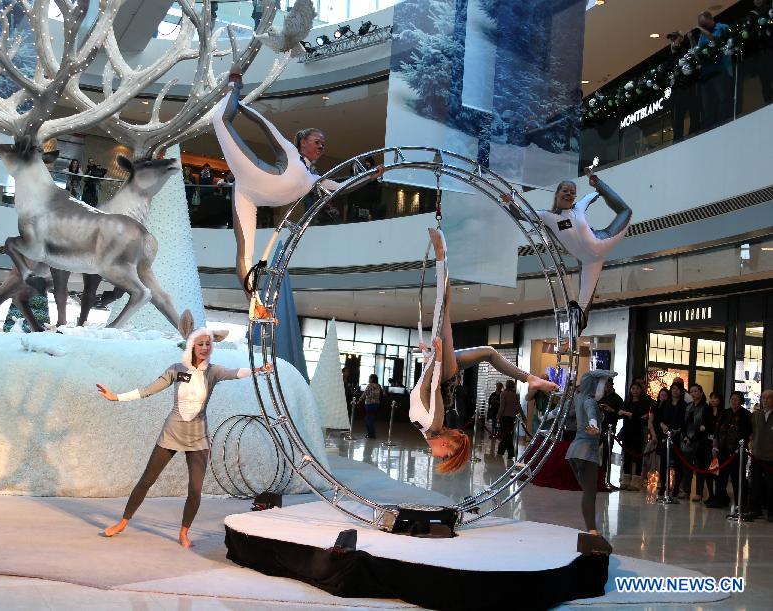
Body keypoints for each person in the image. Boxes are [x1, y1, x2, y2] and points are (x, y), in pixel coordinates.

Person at [96, 312, 272, 548]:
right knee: (146, 481)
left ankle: (183, 532)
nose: (205, 347)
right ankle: (123, 522)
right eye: (200, 344)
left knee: (195, 489)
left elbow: (235, 373)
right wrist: (116, 397)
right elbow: (148, 389)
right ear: (191, 346)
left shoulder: (213, 372)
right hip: (172, 433)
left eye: (208, 344)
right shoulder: (176, 369)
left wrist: (258, 370)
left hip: (198, 438)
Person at [212, 67, 384, 301]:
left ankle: (253, 301)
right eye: (317, 141)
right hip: (254, 174)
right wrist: (241, 105)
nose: (322, 147)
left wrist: (371, 176)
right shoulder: (291, 152)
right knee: (220, 121)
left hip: (250, 196)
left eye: (324, 144)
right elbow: (265, 125)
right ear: (303, 142)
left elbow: (345, 186)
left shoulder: (315, 180)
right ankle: (233, 85)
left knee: (247, 252)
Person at [408, 228, 556, 473]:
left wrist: (429, 356)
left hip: (441, 368)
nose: (439, 456)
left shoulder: (428, 430)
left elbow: (426, 386)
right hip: (442, 370)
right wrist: (437, 356)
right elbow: (432, 386)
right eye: (446, 455)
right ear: (446, 443)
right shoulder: (434, 425)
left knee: (485, 349)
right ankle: (441, 255)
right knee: (442, 310)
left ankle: (531, 379)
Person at [536, 167, 631, 332]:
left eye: (572, 192)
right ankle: (572, 338)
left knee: (626, 211)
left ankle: (573, 334)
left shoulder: (579, 206)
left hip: (604, 239)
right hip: (590, 262)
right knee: (583, 305)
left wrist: (597, 183)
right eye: (565, 190)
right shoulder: (547, 217)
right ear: (557, 193)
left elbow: (594, 195)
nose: (569, 194)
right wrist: (509, 201)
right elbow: (521, 213)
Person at [566, 369, 616, 552]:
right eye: (601, 383)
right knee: (589, 493)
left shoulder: (578, 397)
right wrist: (594, 424)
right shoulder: (589, 401)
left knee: (587, 492)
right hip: (587, 452)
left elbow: (563, 411)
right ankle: (592, 531)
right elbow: (590, 413)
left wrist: (548, 416)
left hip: (574, 451)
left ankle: (591, 529)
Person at [707, 391, 754, 510]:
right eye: (732, 399)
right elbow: (717, 430)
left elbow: (750, 434)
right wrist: (715, 446)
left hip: (738, 452)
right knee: (720, 476)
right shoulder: (724, 413)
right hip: (722, 450)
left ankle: (741, 503)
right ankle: (720, 499)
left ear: (741, 401)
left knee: (738, 478)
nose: (734, 401)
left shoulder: (747, 415)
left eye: (737, 399)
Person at [696, 10, 734, 129]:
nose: (702, 27)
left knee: (724, 98)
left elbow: (716, 42)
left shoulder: (722, 27)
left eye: (703, 24)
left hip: (721, 69)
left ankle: (724, 124)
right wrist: (692, 39)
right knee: (708, 104)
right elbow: (697, 53)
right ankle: (709, 128)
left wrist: (702, 30)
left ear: (710, 18)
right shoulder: (702, 35)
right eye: (701, 25)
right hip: (706, 73)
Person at [666, 31, 701, 138]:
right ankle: (677, 138)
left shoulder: (686, 47)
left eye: (675, 38)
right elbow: (669, 69)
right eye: (672, 39)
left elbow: (696, 53)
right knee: (677, 116)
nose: (673, 41)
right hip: (677, 89)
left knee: (694, 112)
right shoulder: (673, 54)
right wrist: (672, 51)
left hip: (690, 86)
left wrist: (690, 38)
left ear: (681, 38)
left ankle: (694, 134)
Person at [618, 381, 650, 491]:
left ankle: (636, 482)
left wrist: (627, 413)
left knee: (637, 456)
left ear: (641, 390)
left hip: (638, 432)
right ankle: (625, 480)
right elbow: (620, 413)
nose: (635, 391)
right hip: (627, 431)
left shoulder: (644, 402)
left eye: (637, 388)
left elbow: (638, 416)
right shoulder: (627, 401)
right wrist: (628, 414)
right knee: (626, 456)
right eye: (633, 388)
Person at [657, 382, 688, 499]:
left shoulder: (684, 405)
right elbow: (659, 418)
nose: (675, 391)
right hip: (665, 435)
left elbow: (685, 422)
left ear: (681, 391)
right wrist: (662, 425)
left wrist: (678, 430)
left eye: (677, 389)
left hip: (677, 437)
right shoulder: (665, 403)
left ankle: (676, 488)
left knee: (678, 464)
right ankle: (663, 486)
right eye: (673, 389)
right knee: (664, 462)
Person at [747, 389, 773, 521]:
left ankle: (771, 511)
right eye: (763, 398)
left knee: (770, 484)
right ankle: (754, 509)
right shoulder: (756, 415)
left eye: (768, 398)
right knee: (755, 483)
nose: (765, 400)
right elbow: (753, 432)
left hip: (771, 456)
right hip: (757, 454)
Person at [680, 384, 708, 501]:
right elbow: (684, 423)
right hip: (687, 440)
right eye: (691, 391)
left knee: (699, 468)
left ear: (701, 392)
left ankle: (698, 493)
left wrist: (692, 439)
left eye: (696, 391)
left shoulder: (705, 408)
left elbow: (703, 427)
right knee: (687, 468)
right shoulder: (688, 406)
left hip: (699, 441)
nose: (693, 393)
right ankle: (686, 491)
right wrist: (686, 437)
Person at [697, 391, 722, 503]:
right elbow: (702, 427)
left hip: (718, 444)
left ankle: (718, 495)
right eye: (711, 398)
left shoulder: (723, 412)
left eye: (715, 398)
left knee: (716, 471)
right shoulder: (706, 410)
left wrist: (707, 429)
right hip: (706, 444)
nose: (713, 400)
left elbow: (717, 429)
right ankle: (710, 495)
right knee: (708, 470)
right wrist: (707, 429)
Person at [598, 377, 623, 472]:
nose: (607, 386)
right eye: (605, 385)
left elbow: (621, 415)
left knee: (607, 451)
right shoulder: (601, 396)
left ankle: (604, 473)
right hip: (599, 427)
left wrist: (612, 410)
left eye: (609, 385)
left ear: (612, 385)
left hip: (610, 428)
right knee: (592, 448)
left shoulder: (617, 399)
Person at [496, 379, 525, 459]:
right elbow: (519, 407)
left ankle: (501, 452)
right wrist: (523, 417)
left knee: (505, 435)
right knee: (508, 435)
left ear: (506, 385)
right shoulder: (515, 395)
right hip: (512, 418)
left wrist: (498, 417)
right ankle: (510, 453)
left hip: (504, 417)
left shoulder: (503, 394)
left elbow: (502, 407)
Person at [362, 374, 383, 439]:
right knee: (370, 418)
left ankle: (371, 434)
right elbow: (381, 395)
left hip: (369, 404)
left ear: (372, 379)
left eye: (369, 378)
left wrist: (359, 400)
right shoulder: (379, 386)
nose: (369, 379)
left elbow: (365, 394)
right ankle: (370, 433)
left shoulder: (370, 385)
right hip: (376, 404)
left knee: (368, 419)